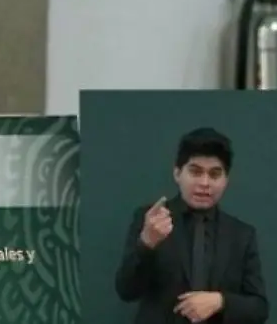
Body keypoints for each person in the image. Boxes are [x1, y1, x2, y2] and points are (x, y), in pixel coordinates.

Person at [114, 128, 268, 324]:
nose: (204, 183)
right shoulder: (151, 220)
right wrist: (147, 244)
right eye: (195, 172)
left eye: (214, 174)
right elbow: (126, 291)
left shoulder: (242, 235)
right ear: (177, 173)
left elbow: (259, 308)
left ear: (226, 180)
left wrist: (221, 301)